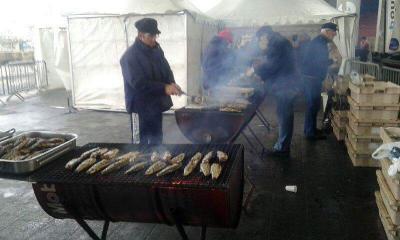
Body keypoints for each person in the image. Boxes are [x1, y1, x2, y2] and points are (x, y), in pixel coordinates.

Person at [120, 18, 182, 144]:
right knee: (140, 144)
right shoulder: (129, 56)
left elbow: (166, 69)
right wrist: (164, 88)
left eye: (156, 35)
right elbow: (138, 83)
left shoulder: (156, 50)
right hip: (139, 107)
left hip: (155, 105)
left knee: (157, 140)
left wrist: (171, 83)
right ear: (140, 35)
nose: (154, 39)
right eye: (151, 36)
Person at [251, 26, 300, 157]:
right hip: (288, 83)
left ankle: (282, 149)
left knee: (285, 115)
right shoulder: (280, 41)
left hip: (286, 85)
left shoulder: (277, 43)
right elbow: (273, 61)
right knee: (284, 113)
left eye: (261, 39)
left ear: (265, 35)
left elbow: (273, 65)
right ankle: (282, 145)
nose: (262, 42)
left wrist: (257, 72)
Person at [301, 22, 337, 141]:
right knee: (313, 105)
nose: (334, 35)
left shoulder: (319, 41)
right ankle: (310, 133)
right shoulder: (319, 43)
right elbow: (320, 62)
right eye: (333, 33)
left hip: (311, 77)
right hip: (311, 78)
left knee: (314, 105)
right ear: (327, 31)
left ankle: (310, 129)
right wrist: (332, 61)